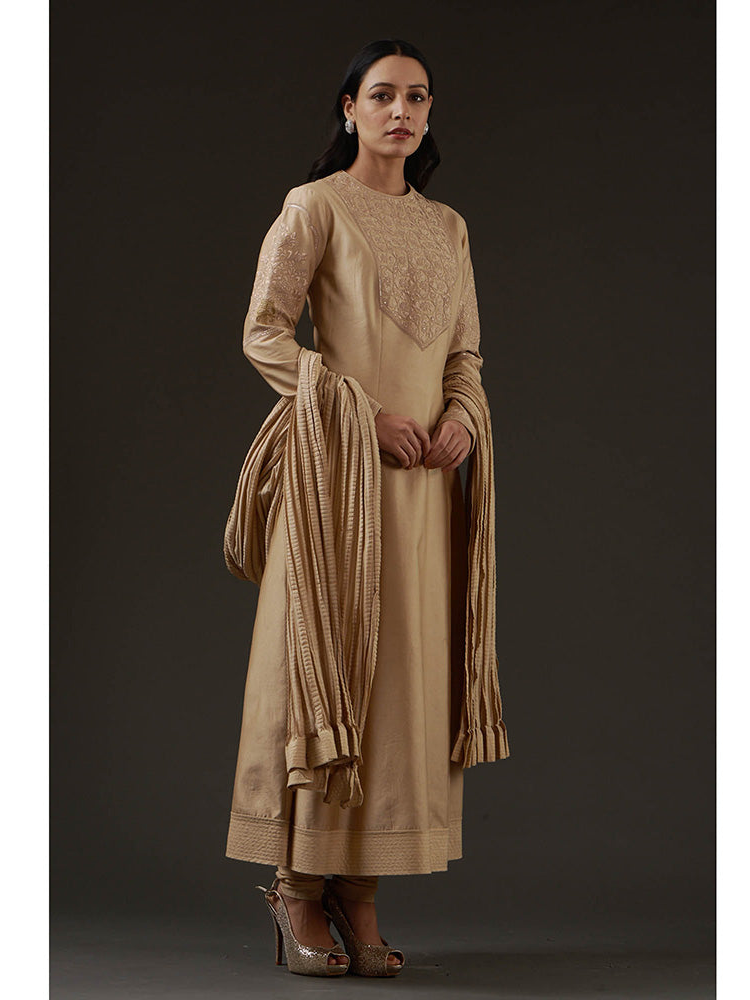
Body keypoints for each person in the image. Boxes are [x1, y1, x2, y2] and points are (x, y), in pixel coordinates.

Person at [223, 38, 510, 977]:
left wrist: (462, 416)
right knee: (328, 665)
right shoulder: (316, 207)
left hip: (423, 491)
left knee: (402, 681)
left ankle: (360, 890)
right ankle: (296, 888)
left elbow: (464, 354)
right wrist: (359, 415)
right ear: (348, 109)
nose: (402, 112)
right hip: (338, 481)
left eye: (417, 98)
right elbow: (264, 332)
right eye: (382, 95)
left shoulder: (448, 227)